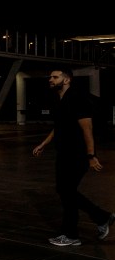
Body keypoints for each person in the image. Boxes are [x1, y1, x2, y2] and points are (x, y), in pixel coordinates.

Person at [33, 67, 112, 246]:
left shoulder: (77, 98)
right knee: (65, 192)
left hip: (77, 154)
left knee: (66, 192)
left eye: (55, 77)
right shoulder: (60, 99)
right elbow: (59, 127)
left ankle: (73, 234)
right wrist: (44, 144)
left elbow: (87, 128)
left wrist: (91, 155)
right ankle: (101, 218)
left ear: (66, 80)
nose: (50, 79)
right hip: (64, 153)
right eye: (50, 76)